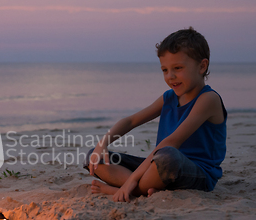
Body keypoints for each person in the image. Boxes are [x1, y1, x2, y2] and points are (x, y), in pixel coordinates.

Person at [84, 27, 227, 202]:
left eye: (178, 68)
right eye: (165, 70)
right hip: (158, 164)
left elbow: (172, 142)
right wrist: (102, 143)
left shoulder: (208, 99)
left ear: (202, 66)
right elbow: (131, 120)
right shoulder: (169, 98)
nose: (171, 76)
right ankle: (141, 187)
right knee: (95, 157)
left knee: (167, 156)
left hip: (195, 172)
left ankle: (124, 189)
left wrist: (132, 179)